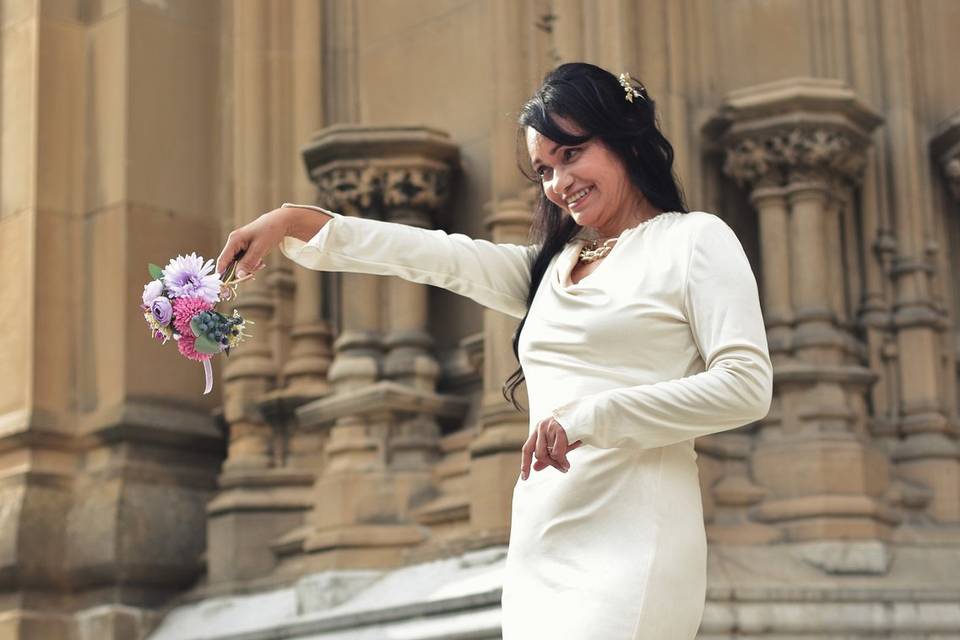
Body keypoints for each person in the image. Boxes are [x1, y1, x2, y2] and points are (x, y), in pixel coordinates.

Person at [215, 62, 772, 640]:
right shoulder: (550, 271)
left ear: (624, 141)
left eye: (571, 154)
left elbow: (745, 386)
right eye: (544, 169)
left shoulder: (694, 241)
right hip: (541, 542)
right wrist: (294, 222)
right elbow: (438, 257)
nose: (558, 183)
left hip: (635, 540)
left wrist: (593, 417)